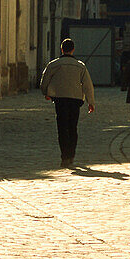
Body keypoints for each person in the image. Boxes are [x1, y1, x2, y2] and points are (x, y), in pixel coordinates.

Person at [40, 38, 95, 168]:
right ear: (73, 49)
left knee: (62, 128)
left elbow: (44, 80)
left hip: (60, 99)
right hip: (75, 100)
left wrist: (46, 93)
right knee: (72, 127)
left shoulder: (53, 64)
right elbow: (88, 85)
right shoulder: (80, 66)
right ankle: (71, 155)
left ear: (61, 49)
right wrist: (90, 102)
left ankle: (64, 156)